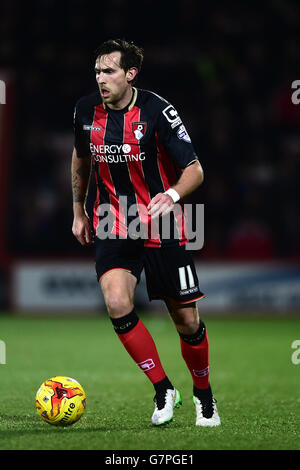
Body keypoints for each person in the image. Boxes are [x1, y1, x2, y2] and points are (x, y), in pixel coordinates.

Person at [71, 38, 220, 427]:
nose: (100, 79)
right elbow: (81, 156)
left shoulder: (158, 110)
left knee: (186, 321)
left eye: (109, 71)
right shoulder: (85, 111)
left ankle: (203, 395)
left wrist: (170, 195)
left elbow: (195, 170)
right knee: (117, 302)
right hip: (111, 220)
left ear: (130, 74)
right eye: (97, 71)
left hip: (161, 222)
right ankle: (162, 388)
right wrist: (78, 210)